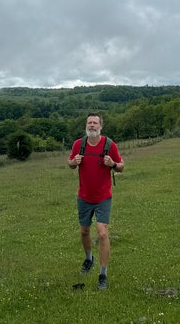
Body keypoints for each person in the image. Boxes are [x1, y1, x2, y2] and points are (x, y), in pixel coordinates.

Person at [68, 113, 123, 290]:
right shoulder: (79, 144)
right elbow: (70, 163)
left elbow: (121, 166)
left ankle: (103, 274)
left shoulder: (109, 144)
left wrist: (112, 164)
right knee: (84, 231)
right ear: (86, 126)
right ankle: (88, 259)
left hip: (103, 197)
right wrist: (73, 162)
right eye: (89, 123)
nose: (91, 125)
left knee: (102, 233)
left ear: (100, 126)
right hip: (84, 196)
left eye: (95, 123)